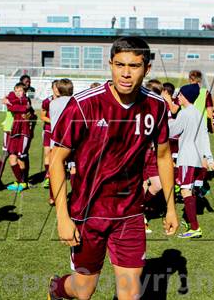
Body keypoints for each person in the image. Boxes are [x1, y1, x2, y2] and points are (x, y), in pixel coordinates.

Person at [48, 36, 178, 300]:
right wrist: (62, 217)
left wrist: (171, 207)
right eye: (120, 65)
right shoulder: (84, 105)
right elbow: (56, 159)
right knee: (83, 291)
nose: (126, 73)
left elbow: (164, 156)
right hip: (88, 212)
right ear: (110, 65)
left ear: (147, 69)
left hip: (130, 213)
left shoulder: (157, 106)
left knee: (130, 294)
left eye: (134, 66)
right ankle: (58, 288)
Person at [168, 83, 214, 239]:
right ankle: (190, 223)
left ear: (185, 96)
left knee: (185, 191)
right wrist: (209, 157)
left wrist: (164, 120)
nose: (177, 97)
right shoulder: (198, 113)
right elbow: (204, 137)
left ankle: (195, 228)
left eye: (179, 95)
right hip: (197, 159)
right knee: (190, 190)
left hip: (186, 157)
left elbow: (173, 131)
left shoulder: (185, 113)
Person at [48, 78, 74, 205]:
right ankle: (77, 195)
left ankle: (53, 197)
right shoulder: (76, 102)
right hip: (72, 139)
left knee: (56, 169)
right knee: (73, 168)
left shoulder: (53, 103)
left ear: (58, 89)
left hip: (56, 140)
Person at [5, 82, 34, 192]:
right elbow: (11, 106)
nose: (18, 93)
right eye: (16, 91)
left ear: (25, 92)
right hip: (14, 131)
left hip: (24, 132)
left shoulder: (26, 100)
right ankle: (20, 181)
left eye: (20, 91)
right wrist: (10, 102)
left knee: (21, 157)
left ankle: (23, 182)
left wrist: (11, 103)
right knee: (12, 158)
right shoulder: (14, 98)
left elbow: (20, 108)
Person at [41, 80, 59, 189]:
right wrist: (52, 121)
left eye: (58, 87)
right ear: (52, 88)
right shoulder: (47, 101)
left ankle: (56, 174)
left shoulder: (65, 101)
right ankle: (48, 176)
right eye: (55, 87)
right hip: (48, 130)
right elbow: (42, 116)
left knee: (56, 154)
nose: (57, 89)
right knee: (47, 153)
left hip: (59, 131)